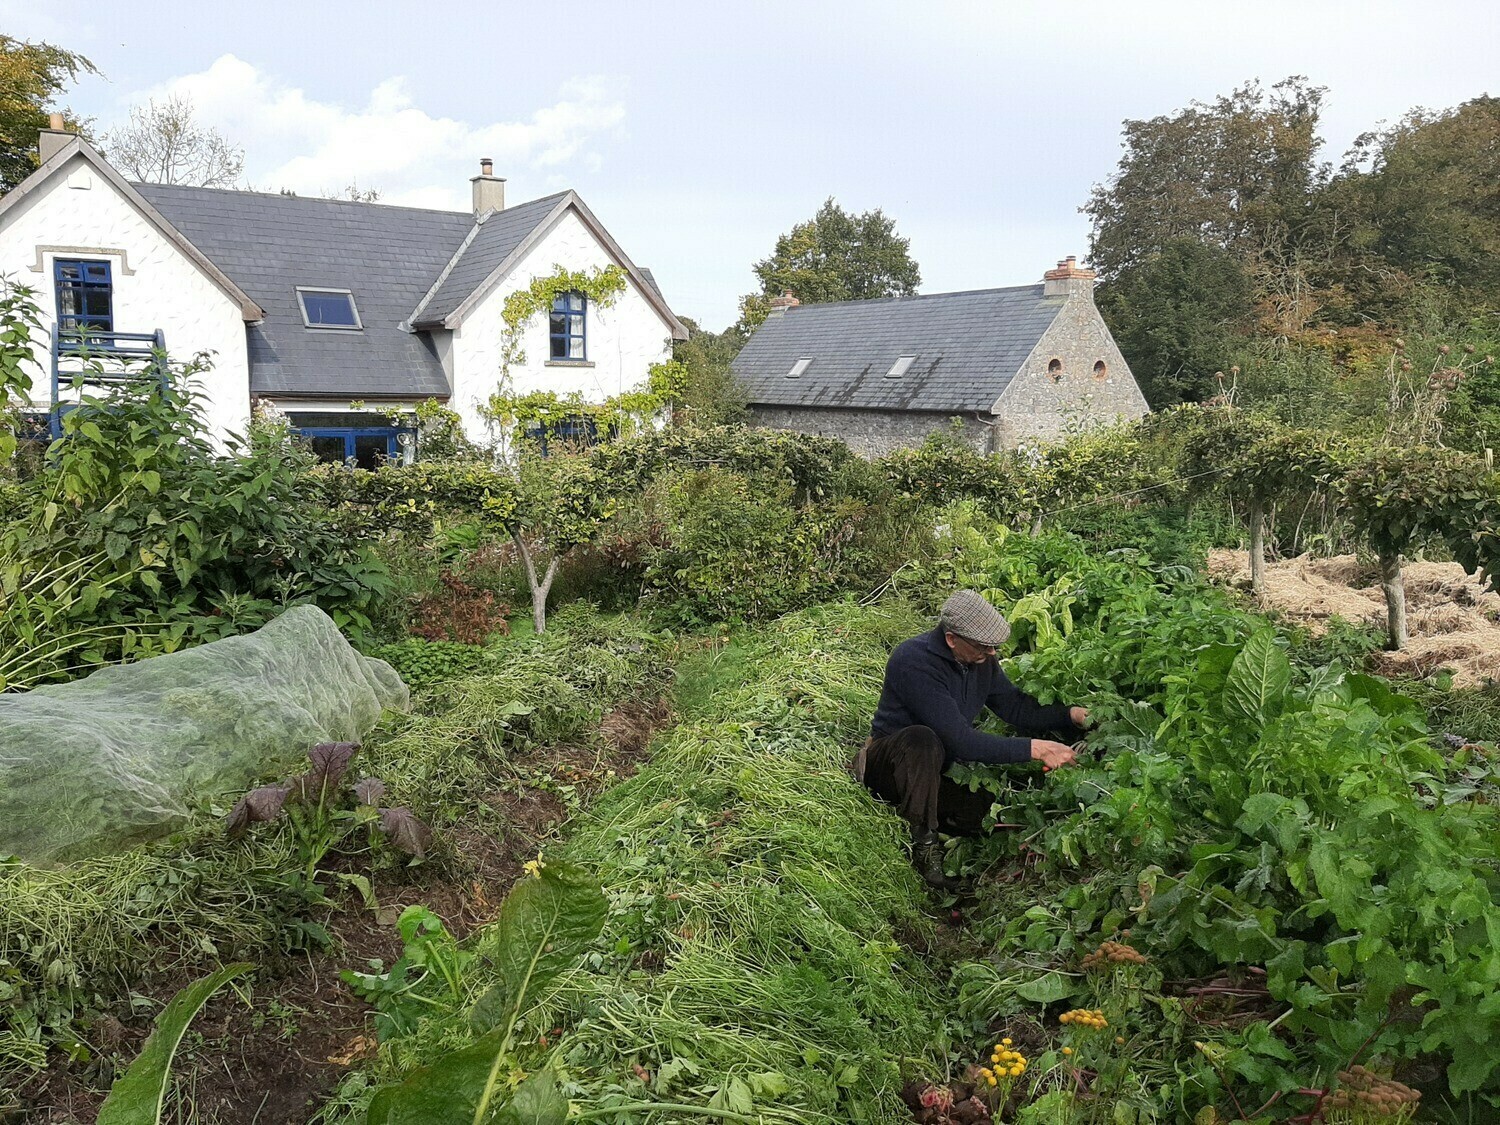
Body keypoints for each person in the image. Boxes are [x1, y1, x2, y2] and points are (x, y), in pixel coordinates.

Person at [854, 590, 1087, 888]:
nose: (991, 654)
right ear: (952, 639)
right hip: (890, 766)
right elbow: (961, 740)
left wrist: (1070, 715)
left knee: (987, 814)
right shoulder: (913, 661)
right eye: (983, 647)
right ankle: (925, 849)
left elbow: (1015, 706)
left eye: (993, 647)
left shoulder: (979, 661)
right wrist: (1036, 749)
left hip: (937, 770)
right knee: (922, 739)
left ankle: (931, 821)